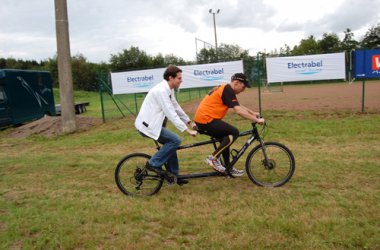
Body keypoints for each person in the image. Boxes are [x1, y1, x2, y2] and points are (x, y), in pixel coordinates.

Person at [135, 65, 197, 185]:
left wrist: (189, 121)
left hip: (153, 124)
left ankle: (173, 176)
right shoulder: (161, 90)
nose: (181, 80)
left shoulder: (169, 89)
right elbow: (170, 112)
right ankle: (153, 164)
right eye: (179, 78)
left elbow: (175, 106)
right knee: (175, 140)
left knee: (171, 145)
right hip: (148, 126)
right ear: (171, 78)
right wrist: (186, 130)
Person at [194, 73, 265, 176]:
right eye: (243, 86)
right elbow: (238, 111)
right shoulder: (227, 89)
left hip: (204, 119)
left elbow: (238, 105)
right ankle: (213, 158)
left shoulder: (226, 89)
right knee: (234, 132)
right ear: (236, 83)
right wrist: (256, 120)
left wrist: (252, 113)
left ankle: (228, 168)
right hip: (206, 120)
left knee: (226, 138)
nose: (244, 90)